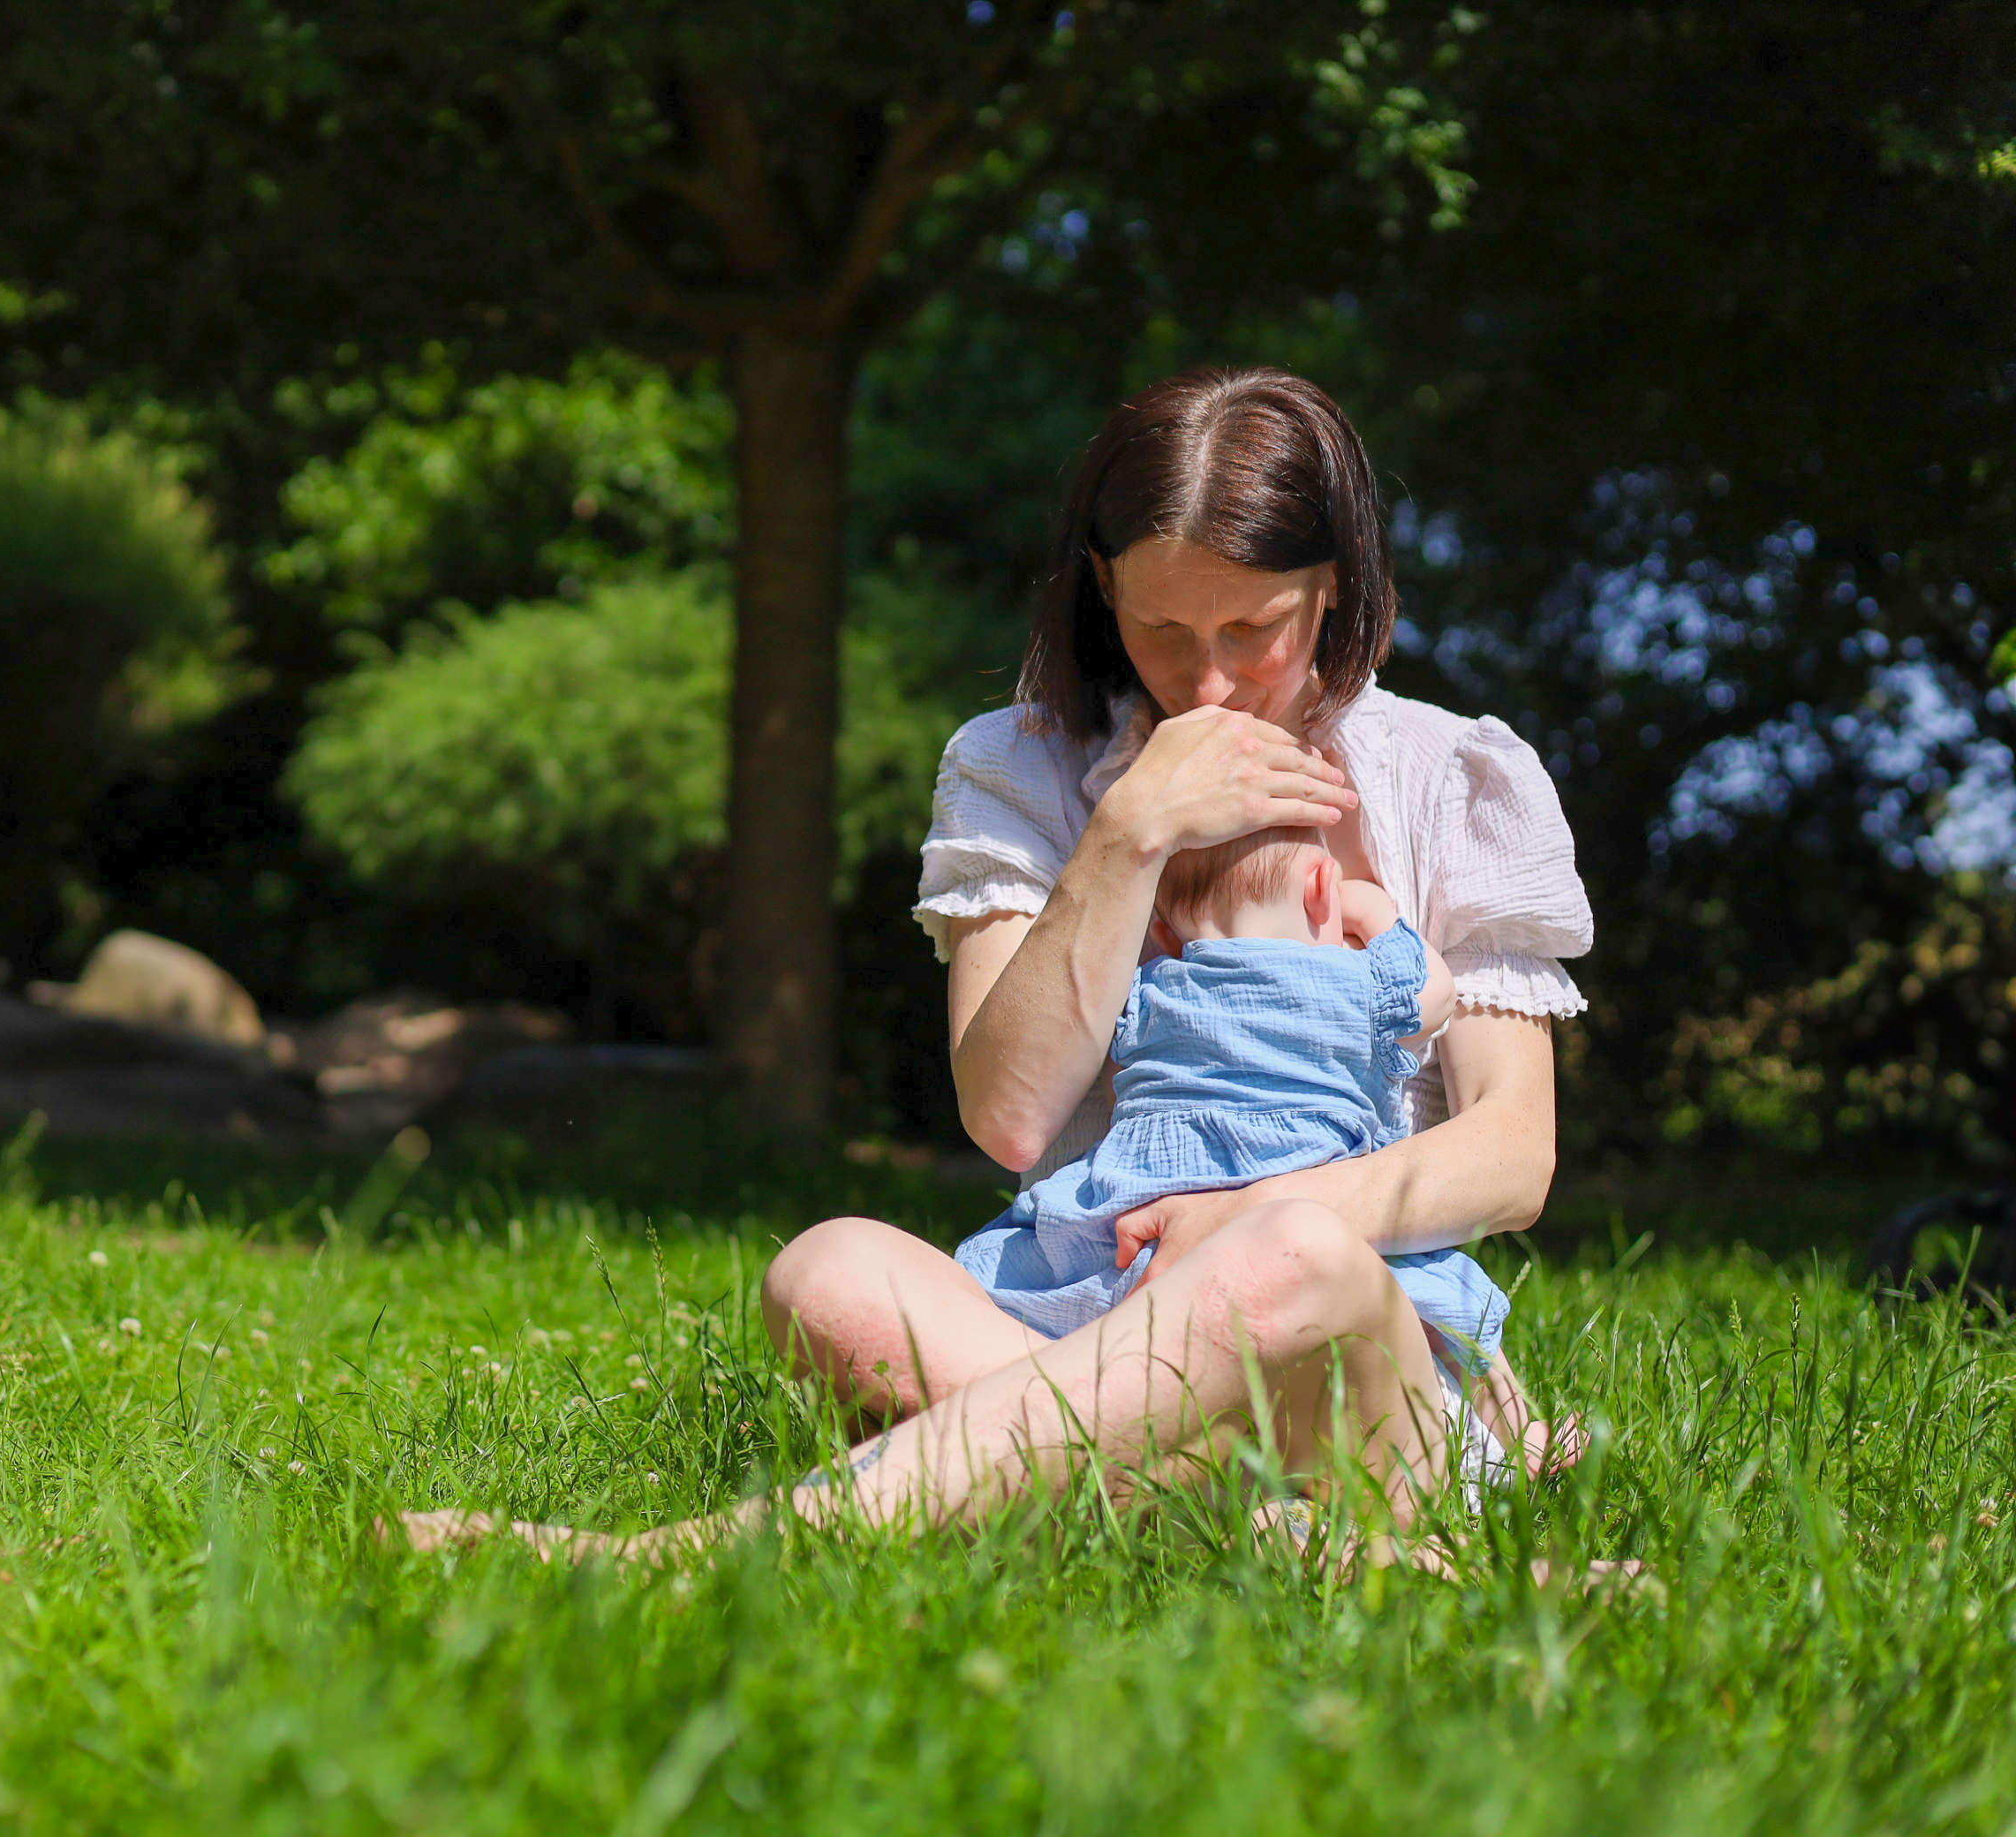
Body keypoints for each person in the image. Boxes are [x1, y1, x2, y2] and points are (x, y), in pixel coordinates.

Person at [400, 366, 1595, 1554]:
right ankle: (1234, 1520)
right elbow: (1013, 1119)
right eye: (1163, 629)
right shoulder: (1017, 767)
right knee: (828, 1273)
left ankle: (690, 1558)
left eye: (1255, 630)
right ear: (1100, 590)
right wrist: (1129, 835)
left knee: (1289, 1259)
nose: (1211, 681)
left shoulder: (1454, 781)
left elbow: (1512, 1155)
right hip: (1081, 1323)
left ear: (1333, 589)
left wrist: (1247, 1215)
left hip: (1349, 1358)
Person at [951, 819, 1516, 1497]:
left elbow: (1118, 1082)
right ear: (1320, 889)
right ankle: (1506, 1435)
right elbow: (1434, 994)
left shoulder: (1150, 990)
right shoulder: (1354, 981)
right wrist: (1377, 913)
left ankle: (1082, 1414)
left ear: (1161, 930)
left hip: (1154, 1210)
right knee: (1437, 1293)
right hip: (1303, 1183)